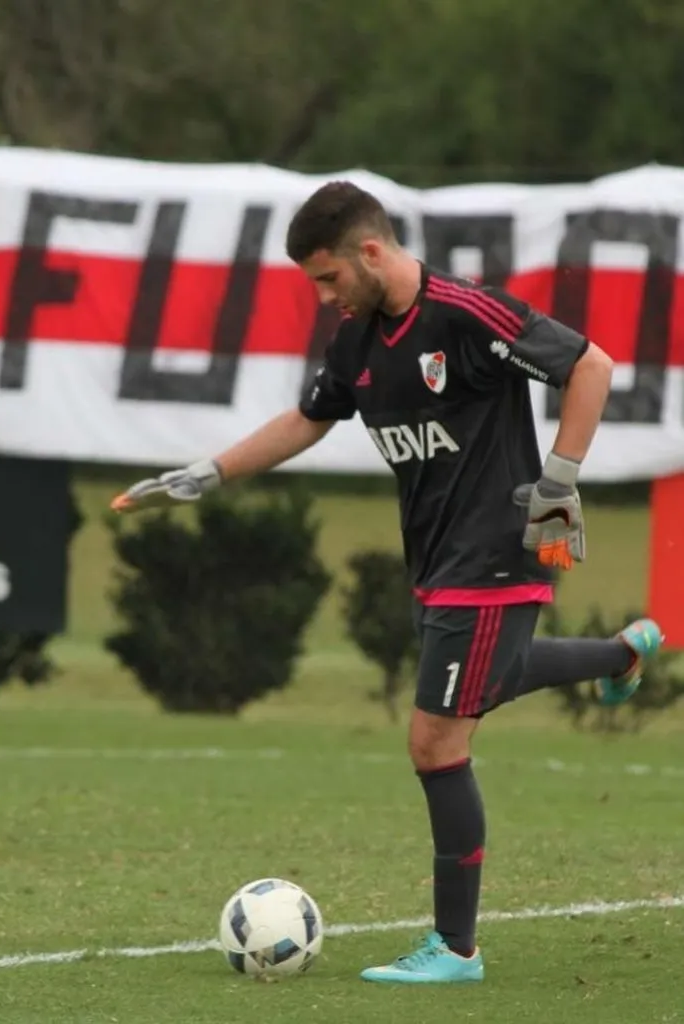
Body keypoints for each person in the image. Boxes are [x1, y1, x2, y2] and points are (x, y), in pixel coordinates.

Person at [111, 181, 663, 985]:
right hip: (437, 561)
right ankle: (621, 655)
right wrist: (210, 472)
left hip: (497, 549)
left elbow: (591, 365)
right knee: (492, 676)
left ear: (371, 252)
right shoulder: (357, 342)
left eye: (329, 278)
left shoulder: (469, 317)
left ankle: (456, 949)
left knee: (436, 740)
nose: (326, 296)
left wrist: (558, 482)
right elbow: (309, 416)